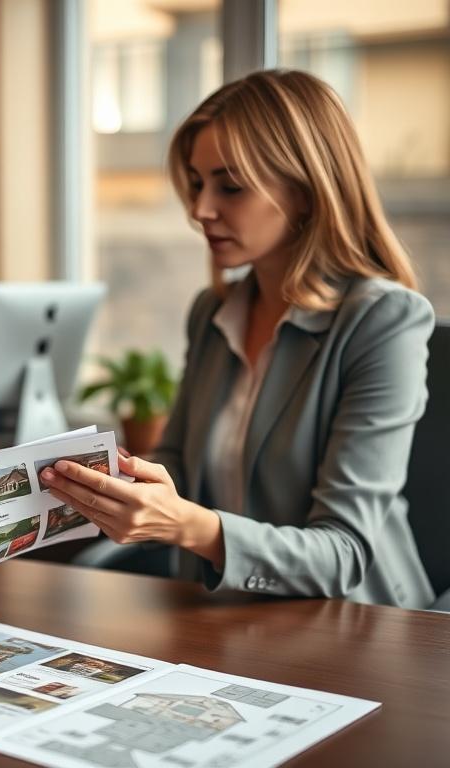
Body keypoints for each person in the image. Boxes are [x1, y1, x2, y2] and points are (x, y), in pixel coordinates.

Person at [41, 69, 434, 609]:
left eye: (230, 186)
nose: (201, 209)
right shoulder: (214, 313)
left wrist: (191, 526)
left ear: (304, 190)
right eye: (198, 183)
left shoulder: (383, 321)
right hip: (218, 616)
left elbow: (343, 553)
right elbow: (177, 461)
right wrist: (116, 482)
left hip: (355, 625)